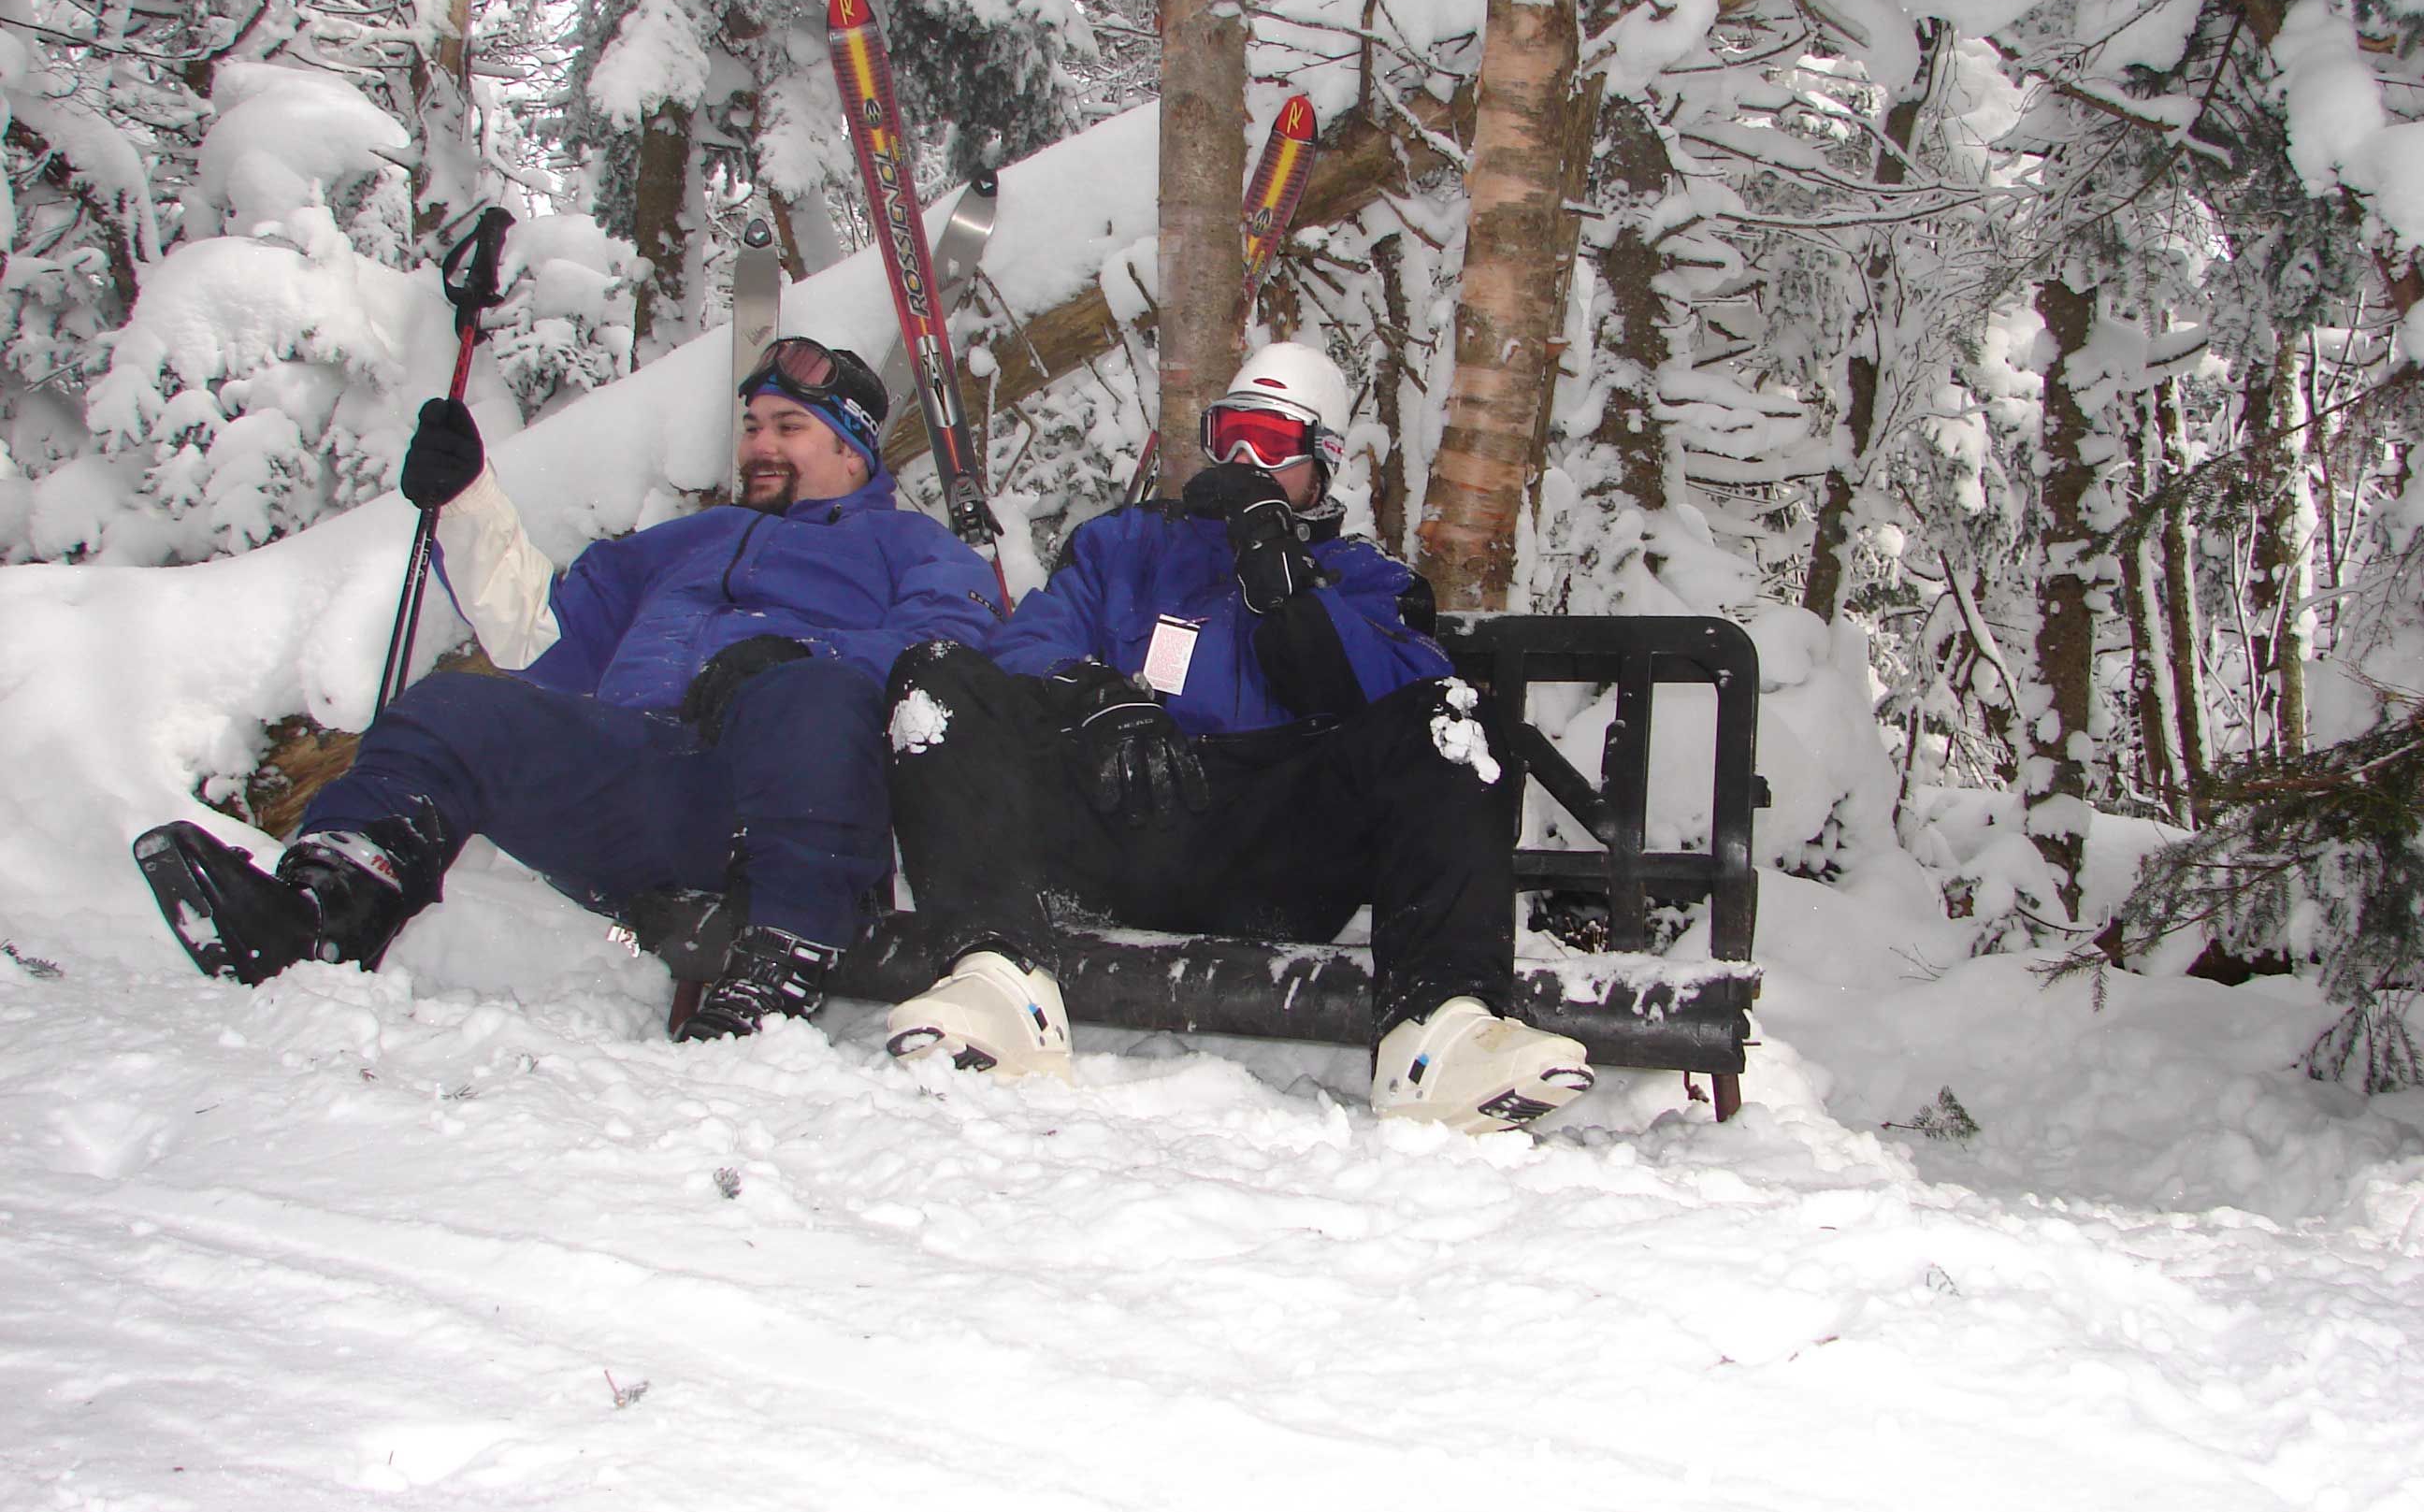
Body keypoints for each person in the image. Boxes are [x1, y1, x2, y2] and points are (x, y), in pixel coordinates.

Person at [140, 338, 1000, 1042]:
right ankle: (325, 911)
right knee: (447, 709)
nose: (759, 445)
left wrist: (790, 658)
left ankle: (787, 956)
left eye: (789, 427)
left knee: (807, 696)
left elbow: (949, 658)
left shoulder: (913, 548)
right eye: (750, 427)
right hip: (650, 787)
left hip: (803, 801)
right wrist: (465, 500)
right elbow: (536, 633)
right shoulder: (685, 542)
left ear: (852, 452)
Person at [879, 343, 1595, 1133]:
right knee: (934, 675)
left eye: (1274, 442)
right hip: (1118, 819)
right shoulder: (1127, 544)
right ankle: (996, 978)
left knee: (1454, 720)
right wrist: (1091, 695)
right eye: (1232, 435)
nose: (1247, 461)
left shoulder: (1364, 578)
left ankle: (1442, 1030)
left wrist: (1284, 579)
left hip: (1272, 856)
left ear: (1322, 462)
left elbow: (1395, 704)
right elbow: (1028, 643)